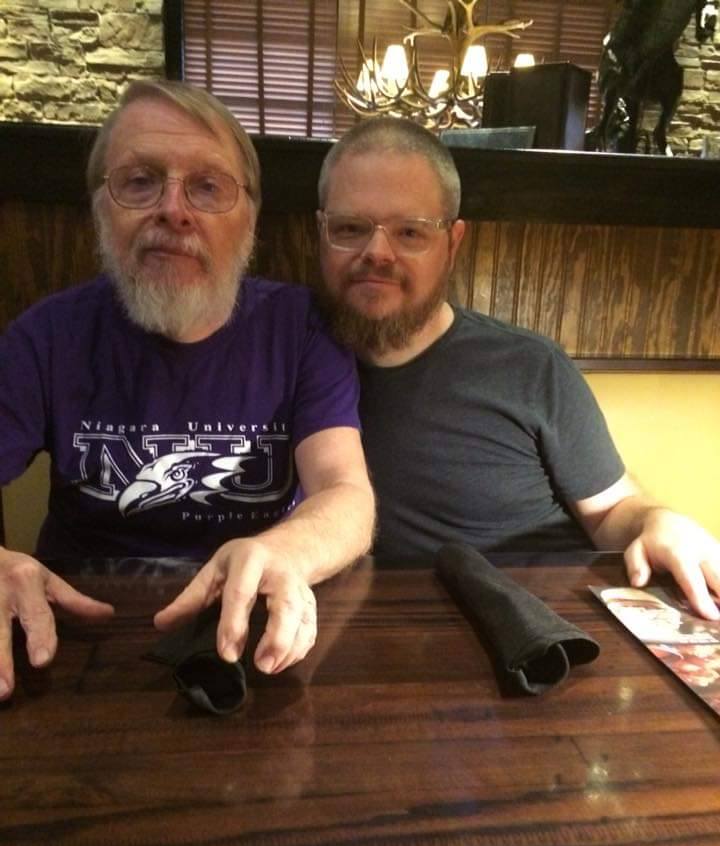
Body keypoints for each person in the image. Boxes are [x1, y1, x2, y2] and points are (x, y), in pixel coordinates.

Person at [0, 80, 375, 701]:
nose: (174, 210)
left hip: (256, 633)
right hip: (77, 642)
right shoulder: (44, 336)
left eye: (207, 187)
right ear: (100, 210)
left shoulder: (302, 328)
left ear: (249, 218)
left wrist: (282, 551)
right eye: (141, 181)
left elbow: (346, 493)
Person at [315, 116, 720, 619]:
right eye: (350, 228)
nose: (377, 252)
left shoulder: (530, 367)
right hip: (379, 646)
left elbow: (612, 510)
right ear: (321, 232)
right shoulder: (286, 363)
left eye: (410, 232)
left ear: (452, 244)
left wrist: (659, 521)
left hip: (545, 633)